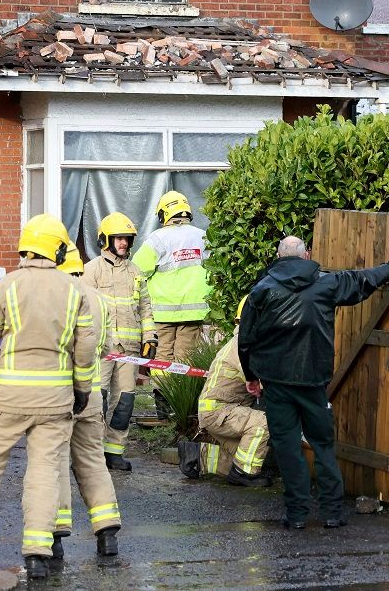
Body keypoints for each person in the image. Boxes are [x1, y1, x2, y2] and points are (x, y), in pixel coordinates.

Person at [0, 215, 97, 581]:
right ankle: (38, 553)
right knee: (44, 472)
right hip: (55, 399)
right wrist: (82, 388)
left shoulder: (7, 285)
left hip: (8, 398)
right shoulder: (74, 290)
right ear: (58, 250)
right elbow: (85, 347)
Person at [238, 235, 389, 531]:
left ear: (278, 257)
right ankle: (332, 512)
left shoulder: (262, 290)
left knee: (287, 448)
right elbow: (363, 280)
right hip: (313, 381)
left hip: (276, 383)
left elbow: (246, 339)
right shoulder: (325, 283)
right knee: (323, 445)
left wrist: (251, 376)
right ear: (306, 255)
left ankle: (297, 515)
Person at [52, 244, 123, 559]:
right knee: (93, 462)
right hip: (91, 395)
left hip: (59, 395)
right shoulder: (98, 299)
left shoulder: (54, 297)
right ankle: (107, 532)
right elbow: (105, 347)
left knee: (53, 464)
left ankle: (55, 537)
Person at [81, 211, 156, 470]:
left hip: (130, 351)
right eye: (118, 238)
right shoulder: (91, 270)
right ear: (105, 240)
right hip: (101, 350)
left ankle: (114, 452)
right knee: (97, 402)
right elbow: (83, 310)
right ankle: (90, 454)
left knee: (124, 402)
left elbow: (145, 309)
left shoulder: (136, 272)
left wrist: (150, 338)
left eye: (127, 238)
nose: (123, 243)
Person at [179, 297, 271, 487]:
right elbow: (265, 383)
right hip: (220, 411)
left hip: (219, 411)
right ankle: (244, 475)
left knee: (251, 456)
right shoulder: (243, 346)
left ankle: (197, 455)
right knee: (264, 423)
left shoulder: (243, 342)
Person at [133, 191, 210, 363]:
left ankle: (161, 383)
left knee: (162, 358)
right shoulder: (204, 237)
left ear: (163, 214)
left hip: (162, 314)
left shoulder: (157, 239)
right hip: (193, 313)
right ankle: (182, 383)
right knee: (186, 359)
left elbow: (136, 270)